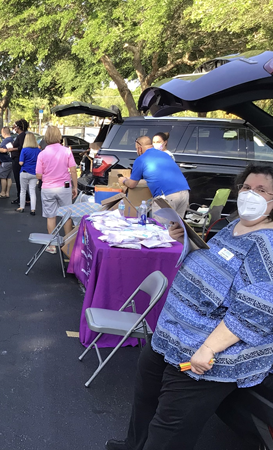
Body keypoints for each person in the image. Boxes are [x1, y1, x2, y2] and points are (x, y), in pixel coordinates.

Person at [106, 164, 273, 450]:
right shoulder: (236, 225)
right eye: (246, 187)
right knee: (145, 400)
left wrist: (208, 349)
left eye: (261, 190)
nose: (250, 194)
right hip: (172, 335)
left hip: (203, 354)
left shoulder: (267, 246)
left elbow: (257, 310)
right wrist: (190, 241)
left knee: (169, 430)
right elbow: (218, 267)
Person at [119, 135, 189, 218]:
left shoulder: (141, 159)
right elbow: (158, 176)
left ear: (139, 147)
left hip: (167, 196)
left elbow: (132, 184)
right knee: (177, 228)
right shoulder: (165, 155)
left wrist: (123, 180)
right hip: (184, 193)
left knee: (160, 228)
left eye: (136, 148)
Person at [36, 125, 78, 254]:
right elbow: (73, 170)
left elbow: (38, 175)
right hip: (64, 187)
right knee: (67, 216)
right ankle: (68, 244)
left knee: (51, 216)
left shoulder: (42, 154)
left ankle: (52, 245)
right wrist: (75, 186)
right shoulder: (66, 151)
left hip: (48, 188)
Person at [16, 133, 41, 215]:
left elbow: (21, 163)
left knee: (23, 190)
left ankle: (22, 207)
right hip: (34, 173)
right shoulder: (38, 150)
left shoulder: (24, 150)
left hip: (24, 172)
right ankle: (33, 209)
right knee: (32, 191)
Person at [10, 119, 30, 205]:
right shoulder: (21, 135)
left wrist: (12, 149)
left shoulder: (21, 136)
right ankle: (22, 197)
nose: (13, 128)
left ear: (18, 127)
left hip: (18, 160)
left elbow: (22, 147)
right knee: (19, 180)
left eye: (14, 126)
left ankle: (25, 198)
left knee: (19, 180)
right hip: (17, 159)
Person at [0, 127, 14, 199]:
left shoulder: (6, 140)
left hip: (5, 161)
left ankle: (2, 192)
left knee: (2, 177)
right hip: (10, 161)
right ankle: (7, 192)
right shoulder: (11, 139)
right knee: (9, 177)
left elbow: (4, 150)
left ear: (4, 133)